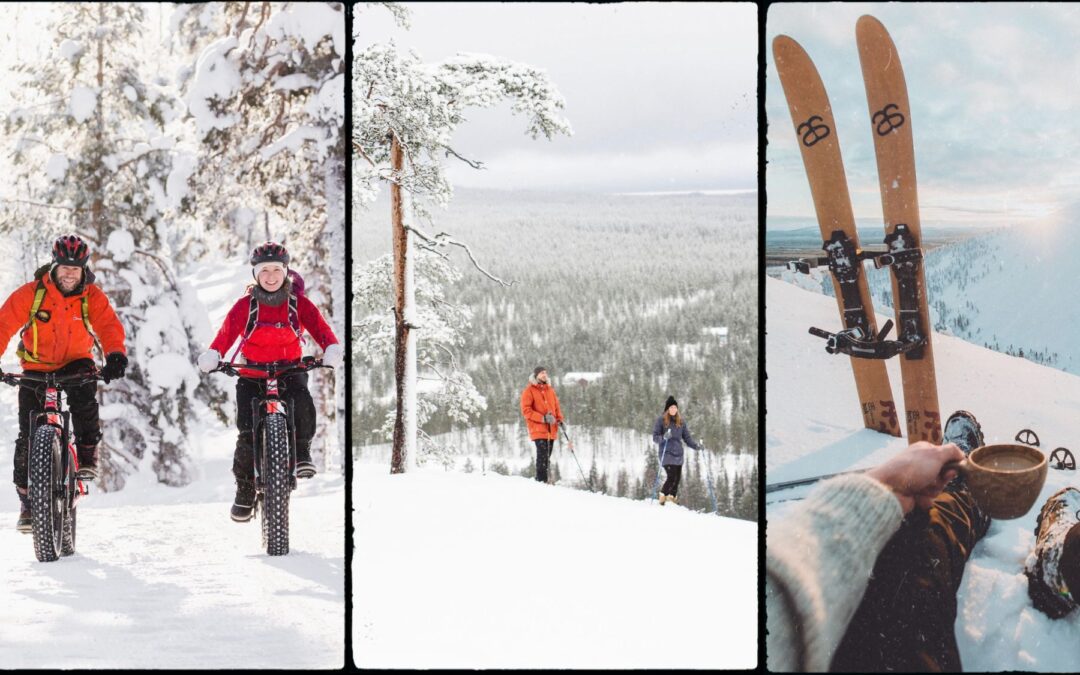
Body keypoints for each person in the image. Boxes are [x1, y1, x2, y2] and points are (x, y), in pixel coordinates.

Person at [197, 242, 342, 522]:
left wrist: (331, 348)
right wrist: (214, 354)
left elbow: (320, 328)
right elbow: (226, 333)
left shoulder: (298, 303)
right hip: (252, 374)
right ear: (255, 274)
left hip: (290, 370)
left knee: (302, 403)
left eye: (277, 270)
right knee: (246, 432)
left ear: (286, 272)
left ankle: (301, 451)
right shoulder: (246, 305)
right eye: (264, 270)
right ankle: (245, 490)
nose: (271, 276)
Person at [0, 234, 127, 532]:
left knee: (84, 403)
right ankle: (27, 501)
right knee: (28, 434)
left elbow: (108, 326)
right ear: (54, 267)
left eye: (76, 269)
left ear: (84, 270)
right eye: (65, 268)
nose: (70, 274)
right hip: (35, 366)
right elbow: (4, 324)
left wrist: (115, 355)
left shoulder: (91, 296)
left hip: (76, 363)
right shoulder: (32, 294)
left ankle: (86, 455)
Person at [651, 396, 703, 505]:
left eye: (675, 407)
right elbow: (655, 437)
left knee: (677, 479)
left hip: (678, 454)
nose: (673, 409)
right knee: (672, 477)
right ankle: (662, 496)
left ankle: (672, 498)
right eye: (671, 407)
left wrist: (696, 446)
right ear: (667, 409)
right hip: (666, 453)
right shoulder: (661, 421)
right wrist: (664, 437)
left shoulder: (681, 422)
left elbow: (687, 438)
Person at [520, 366, 563, 483]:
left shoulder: (550, 390)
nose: (544, 375)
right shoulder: (529, 391)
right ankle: (541, 482)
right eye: (541, 373)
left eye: (545, 373)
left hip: (551, 429)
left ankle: (543, 481)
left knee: (547, 457)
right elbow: (526, 411)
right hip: (538, 429)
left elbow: (556, 407)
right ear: (536, 375)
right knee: (542, 457)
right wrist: (542, 418)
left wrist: (559, 420)